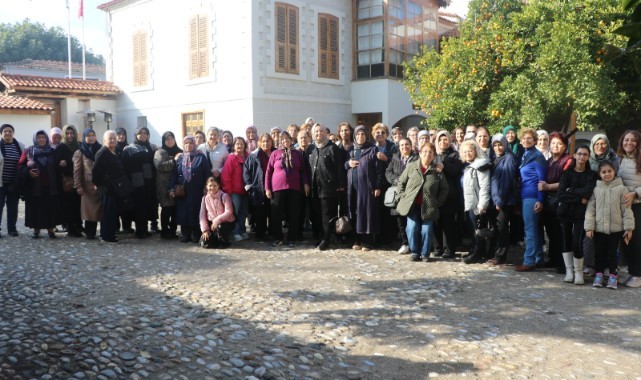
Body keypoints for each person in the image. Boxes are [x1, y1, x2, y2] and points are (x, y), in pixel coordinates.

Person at [585, 161, 634, 289]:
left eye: (609, 171)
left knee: (613, 254)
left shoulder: (622, 189)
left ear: (614, 172)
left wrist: (629, 228)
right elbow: (591, 209)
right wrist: (589, 227)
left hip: (616, 230)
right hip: (599, 229)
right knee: (599, 253)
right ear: (600, 174)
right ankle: (599, 275)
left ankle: (613, 275)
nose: (607, 174)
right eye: (604, 172)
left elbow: (626, 210)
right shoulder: (596, 189)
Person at [396, 142, 449, 262]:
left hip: (429, 206)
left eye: (430, 152)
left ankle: (425, 253)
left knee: (427, 230)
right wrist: (402, 197)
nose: (427, 154)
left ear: (434, 155)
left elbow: (444, 188)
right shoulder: (411, 166)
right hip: (412, 205)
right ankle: (415, 252)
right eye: (425, 151)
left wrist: (437, 202)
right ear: (420, 153)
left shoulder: (437, 169)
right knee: (412, 228)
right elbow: (401, 183)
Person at [556, 145, 595, 285]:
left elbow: (588, 192)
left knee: (577, 242)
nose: (582, 157)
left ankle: (579, 272)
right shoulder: (567, 173)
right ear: (575, 155)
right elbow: (561, 195)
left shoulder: (591, 175)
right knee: (566, 240)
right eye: (579, 154)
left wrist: (570, 191)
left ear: (588, 157)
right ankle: (569, 271)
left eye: (585, 154)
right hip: (565, 212)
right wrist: (579, 198)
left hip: (581, 214)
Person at [265, 131, 310, 247]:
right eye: (283, 139)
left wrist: (305, 183)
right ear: (280, 141)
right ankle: (278, 238)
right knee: (276, 214)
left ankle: (292, 238)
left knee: (294, 214)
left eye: (287, 138)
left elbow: (303, 170)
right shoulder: (275, 153)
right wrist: (267, 188)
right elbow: (268, 172)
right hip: (277, 188)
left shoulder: (297, 154)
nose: (285, 141)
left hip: (294, 188)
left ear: (291, 140)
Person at [538, 132, 572, 272]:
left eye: (559, 143)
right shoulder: (549, 161)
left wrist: (548, 186)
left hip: (561, 200)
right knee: (551, 232)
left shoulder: (568, 160)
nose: (555, 146)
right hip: (549, 201)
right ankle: (553, 258)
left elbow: (567, 181)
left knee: (562, 233)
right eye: (553, 143)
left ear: (565, 146)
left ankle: (564, 264)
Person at [346, 125, 384, 251]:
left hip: (367, 188)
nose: (360, 137)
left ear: (366, 136)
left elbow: (379, 170)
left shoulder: (373, 149)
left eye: (362, 134)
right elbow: (344, 165)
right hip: (353, 188)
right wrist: (348, 163)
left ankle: (367, 241)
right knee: (355, 212)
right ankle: (356, 239)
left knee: (366, 213)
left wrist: (377, 186)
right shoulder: (351, 150)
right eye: (357, 134)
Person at [309, 123, 346, 250]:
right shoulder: (312, 149)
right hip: (315, 188)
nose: (319, 133)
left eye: (321, 131)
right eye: (316, 132)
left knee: (327, 216)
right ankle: (320, 237)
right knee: (317, 215)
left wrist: (341, 185)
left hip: (328, 188)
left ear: (325, 133)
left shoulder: (332, 148)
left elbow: (339, 168)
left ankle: (326, 239)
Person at [18, 130, 61, 239]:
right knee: (35, 209)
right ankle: (36, 230)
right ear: (35, 139)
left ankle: (51, 230)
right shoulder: (28, 151)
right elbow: (20, 167)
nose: (41, 139)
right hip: (34, 187)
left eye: (43, 137)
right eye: (39, 137)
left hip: (50, 186)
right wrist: (28, 172)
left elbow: (57, 166)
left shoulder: (52, 151)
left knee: (50, 208)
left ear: (47, 139)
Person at [515, 128, 547, 271]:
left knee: (530, 230)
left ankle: (529, 261)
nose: (526, 140)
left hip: (532, 196)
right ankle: (539, 257)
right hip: (526, 195)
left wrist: (540, 200)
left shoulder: (537, 156)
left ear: (535, 141)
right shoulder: (526, 155)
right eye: (524, 138)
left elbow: (542, 180)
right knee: (536, 229)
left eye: (529, 138)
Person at [169, 135, 212, 243]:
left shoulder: (201, 157)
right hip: (182, 191)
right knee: (183, 212)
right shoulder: (180, 158)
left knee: (196, 211)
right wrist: (171, 188)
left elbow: (207, 174)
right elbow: (174, 174)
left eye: (191, 143)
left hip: (196, 190)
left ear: (194, 144)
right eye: (186, 143)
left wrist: (206, 188)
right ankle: (185, 234)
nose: (188, 145)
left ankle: (196, 234)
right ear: (183, 145)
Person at [488, 134, 519, 265]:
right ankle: (497, 254)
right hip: (497, 199)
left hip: (505, 200)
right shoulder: (497, 158)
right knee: (497, 227)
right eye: (495, 145)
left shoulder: (509, 158)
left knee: (502, 228)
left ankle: (501, 256)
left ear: (505, 144)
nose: (498, 147)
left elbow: (507, 180)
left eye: (500, 144)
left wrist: (500, 200)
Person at [92, 131, 128, 243]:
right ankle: (106, 236)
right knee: (108, 212)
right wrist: (99, 184)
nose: (112, 140)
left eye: (114, 138)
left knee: (112, 212)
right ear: (104, 140)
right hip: (106, 188)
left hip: (114, 187)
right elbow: (95, 171)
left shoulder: (114, 150)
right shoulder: (102, 152)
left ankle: (110, 234)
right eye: (110, 138)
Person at [432, 130, 464, 259]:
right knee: (435, 222)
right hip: (434, 193)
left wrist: (444, 165)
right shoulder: (433, 154)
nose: (443, 142)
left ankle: (449, 249)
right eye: (440, 140)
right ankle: (437, 247)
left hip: (450, 195)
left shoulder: (455, 155)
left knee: (448, 223)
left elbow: (456, 171)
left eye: (445, 139)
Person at [459, 140, 492, 264]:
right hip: (470, 203)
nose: (468, 153)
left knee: (479, 230)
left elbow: (485, 186)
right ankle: (474, 251)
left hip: (478, 204)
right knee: (474, 230)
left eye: (470, 151)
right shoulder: (469, 165)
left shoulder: (480, 165)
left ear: (475, 151)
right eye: (465, 151)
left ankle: (478, 254)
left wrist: (482, 205)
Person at [121, 127, 157, 239]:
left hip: (148, 181)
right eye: (140, 133)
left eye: (145, 133)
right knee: (139, 206)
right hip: (136, 182)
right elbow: (124, 167)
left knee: (147, 205)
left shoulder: (151, 147)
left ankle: (145, 228)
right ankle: (139, 230)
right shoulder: (129, 148)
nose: (143, 135)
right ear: (136, 135)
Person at [616, 130, 641, 287]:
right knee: (627, 240)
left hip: (638, 205)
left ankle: (638, 275)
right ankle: (632, 272)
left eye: (633, 140)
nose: (629, 143)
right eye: (626, 140)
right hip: (624, 206)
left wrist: (635, 194)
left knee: (637, 240)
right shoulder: (620, 159)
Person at [385, 138, 418, 255]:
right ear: (399, 147)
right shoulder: (395, 158)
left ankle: (413, 244)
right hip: (398, 193)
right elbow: (388, 172)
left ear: (411, 145)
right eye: (402, 145)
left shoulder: (417, 158)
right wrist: (397, 181)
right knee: (400, 221)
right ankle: (405, 243)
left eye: (407, 144)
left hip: (411, 193)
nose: (405, 147)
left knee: (412, 220)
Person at [73, 128, 103, 240]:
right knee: (89, 211)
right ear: (84, 137)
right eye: (88, 135)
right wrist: (78, 186)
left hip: (100, 185)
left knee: (102, 209)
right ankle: (90, 233)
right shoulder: (80, 152)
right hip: (87, 186)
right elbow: (77, 171)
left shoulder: (101, 149)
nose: (91, 137)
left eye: (93, 135)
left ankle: (104, 231)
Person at [244, 133, 274, 240]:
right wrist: (249, 185)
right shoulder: (254, 155)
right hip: (258, 188)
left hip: (274, 187)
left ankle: (273, 232)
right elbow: (246, 170)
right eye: (264, 141)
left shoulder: (276, 153)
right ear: (260, 143)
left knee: (273, 211)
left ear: (272, 142)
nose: (266, 143)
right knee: (260, 212)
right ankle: (261, 234)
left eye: (268, 141)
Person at [372, 123, 397, 246]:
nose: (380, 134)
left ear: (387, 134)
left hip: (388, 184)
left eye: (383, 132)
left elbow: (397, 164)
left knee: (388, 211)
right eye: (377, 132)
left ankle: (388, 238)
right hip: (375, 184)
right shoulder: (371, 147)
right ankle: (377, 238)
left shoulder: (392, 147)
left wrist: (386, 159)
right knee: (376, 212)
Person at [154, 131, 182, 239]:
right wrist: (174, 161)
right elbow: (160, 166)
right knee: (166, 209)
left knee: (175, 209)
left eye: (172, 138)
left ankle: (173, 230)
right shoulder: (160, 152)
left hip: (177, 185)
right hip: (163, 185)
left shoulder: (180, 151)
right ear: (164, 141)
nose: (170, 141)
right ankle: (164, 231)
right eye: (167, 139)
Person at [56, 125, 83, 237]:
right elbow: (58, 165)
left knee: (79, 204)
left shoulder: (80, 146)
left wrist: (68, 164)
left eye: (72, 133)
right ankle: (71, 228)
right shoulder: (61, 148)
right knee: (69, 205)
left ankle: (79, 225)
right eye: (67, 133)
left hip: (80, 180)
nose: (70, 135)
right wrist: (67, 166)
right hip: (67, 182)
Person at [221, 137, 249, 241]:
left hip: (246, 190)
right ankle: (235, 232)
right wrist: (228, 191)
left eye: (241, 144)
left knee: (244, 212)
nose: (240, 146)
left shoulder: (248, 157)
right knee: (234, 212)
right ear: (234, 146)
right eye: (237, 144)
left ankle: (242, 230)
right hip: (234, 191)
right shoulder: (231, 158)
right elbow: (225, 175)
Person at [0, 124, 25, 237]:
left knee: (13, 206)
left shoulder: (20, 146)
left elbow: (23, 163)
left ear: (13, 133)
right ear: (1, 133)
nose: (8, 133)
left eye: (10, 131)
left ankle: (12, 229)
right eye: (5, 131)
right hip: (0, 183)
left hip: (14, 183)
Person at [199, 177, 235, 248]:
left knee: (220, 229)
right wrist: (205, 230)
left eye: (214, 186)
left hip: (225, 223)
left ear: (218, 186)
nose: (212, 188)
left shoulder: (224, 196)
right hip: (211, 223)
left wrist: (216, 221)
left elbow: (229, 212)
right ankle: (214, 239)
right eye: (210, 186)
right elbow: (202, 215)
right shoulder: (204, 198)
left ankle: (224, 241)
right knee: (205, 243)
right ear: (206, 186)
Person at [114, 127, 133, 232]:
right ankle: (116, 226)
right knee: (117, 205)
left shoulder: (129, 147)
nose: (121, 136)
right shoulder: (113, 148)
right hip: (116, 181)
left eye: (123, 134)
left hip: (127, 180)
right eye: (119, 134)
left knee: (127, 204)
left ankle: (127, 226)